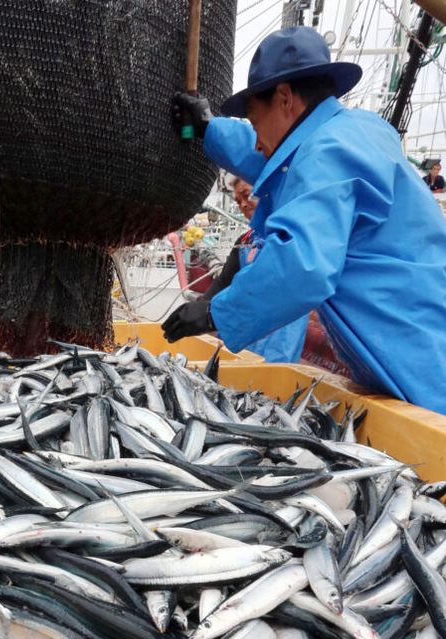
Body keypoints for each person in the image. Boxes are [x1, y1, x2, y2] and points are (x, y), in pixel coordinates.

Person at [167, 27, 446, 414]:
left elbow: (302, 266)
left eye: (252, 118)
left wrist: (215, 311)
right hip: (411, 348)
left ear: (284, 98)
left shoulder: (329, 151)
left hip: (424, 368)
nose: (256, 137)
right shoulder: (354, 132)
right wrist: (210, 127)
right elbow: (273, 161)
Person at [201, 176, 308, 362]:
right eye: (238, 201)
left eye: (246, 195)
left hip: (280, 345)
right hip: (243, 341)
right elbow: (222, 283)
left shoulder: (292, 236)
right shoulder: (245, 240)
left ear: (268, 191)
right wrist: (198, 310)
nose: (243, 204)